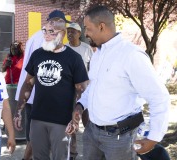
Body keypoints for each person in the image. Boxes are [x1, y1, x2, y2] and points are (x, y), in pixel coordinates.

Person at [66, 5, 170, 160]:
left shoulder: (131, 55)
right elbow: (93, 87)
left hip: (120, 139)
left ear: (101, 26)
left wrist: (153, 137)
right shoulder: (97, 54)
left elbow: (159, 97)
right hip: (92, 133)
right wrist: (80, 105)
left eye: (88, 29)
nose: (85, 34)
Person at [14, 18, 88, 160]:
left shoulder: (74, 58)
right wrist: (18, 111)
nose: (46, 35)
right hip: (37, 118)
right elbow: (28, 84)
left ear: (62, 34)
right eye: (45, 31)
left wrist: (76, 119)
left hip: (62, 122)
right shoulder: (37, 54)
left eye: (51, 32)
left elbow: (82, 93)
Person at [66, 22, 93, 159]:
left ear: (79, 33)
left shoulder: (87, 49)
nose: (70, 33)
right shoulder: (64, 49)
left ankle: (92, 150)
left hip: (85, 92)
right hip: (68, 92)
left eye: (73, 31)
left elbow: (92, 70)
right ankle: (72, 152)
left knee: (88, 122)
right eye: (68, 31)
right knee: (72, 122)